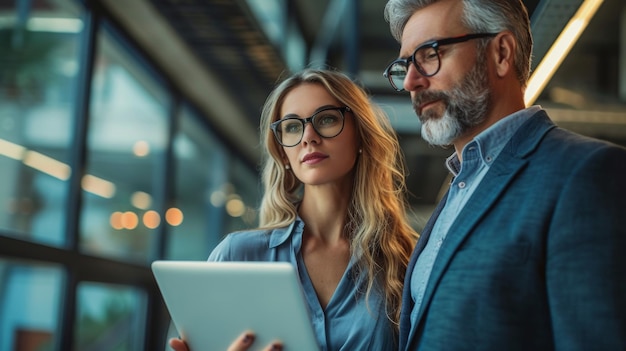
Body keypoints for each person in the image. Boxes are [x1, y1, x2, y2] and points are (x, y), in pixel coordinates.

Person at [381, 0, 626, 349]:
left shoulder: (586, 175)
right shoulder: (456, 195)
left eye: (430, 54)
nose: (410, 81)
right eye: (405, 64)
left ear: (500, 53)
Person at [169, 68, 418, 351]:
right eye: (292, 126)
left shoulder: (402, 264)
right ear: (282, 152)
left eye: (326, 119)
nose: (308, 137)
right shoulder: (238, 257)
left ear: (360, 134)